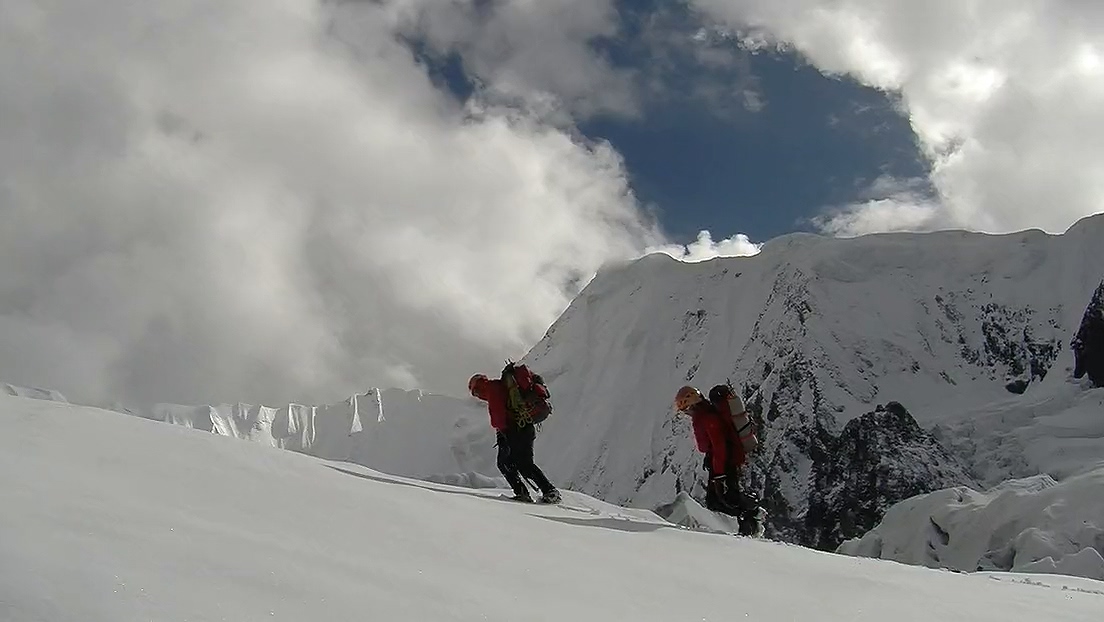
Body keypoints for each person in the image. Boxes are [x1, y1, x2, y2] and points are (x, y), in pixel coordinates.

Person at [674, 385, 762, 536]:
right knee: (717, 501)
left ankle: (751, 517)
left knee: (727, 498)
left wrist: (719, 474)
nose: (686, 412)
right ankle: (749, 520)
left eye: (685, 408)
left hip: (725, 462)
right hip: (721, 461)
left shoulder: (707, 418)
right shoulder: (705, 415)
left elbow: (719, 446)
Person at [469, 373, 561, 504]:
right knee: (516, 463)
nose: (478, 397)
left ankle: (546, 491)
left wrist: (501, 431)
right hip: (523, 427)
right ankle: (531, 492)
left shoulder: (492, 389)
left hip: (515, 430)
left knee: (514, 464)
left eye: (475, 393)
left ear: (477, 388)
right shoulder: (499, 386)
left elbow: (498, 417)